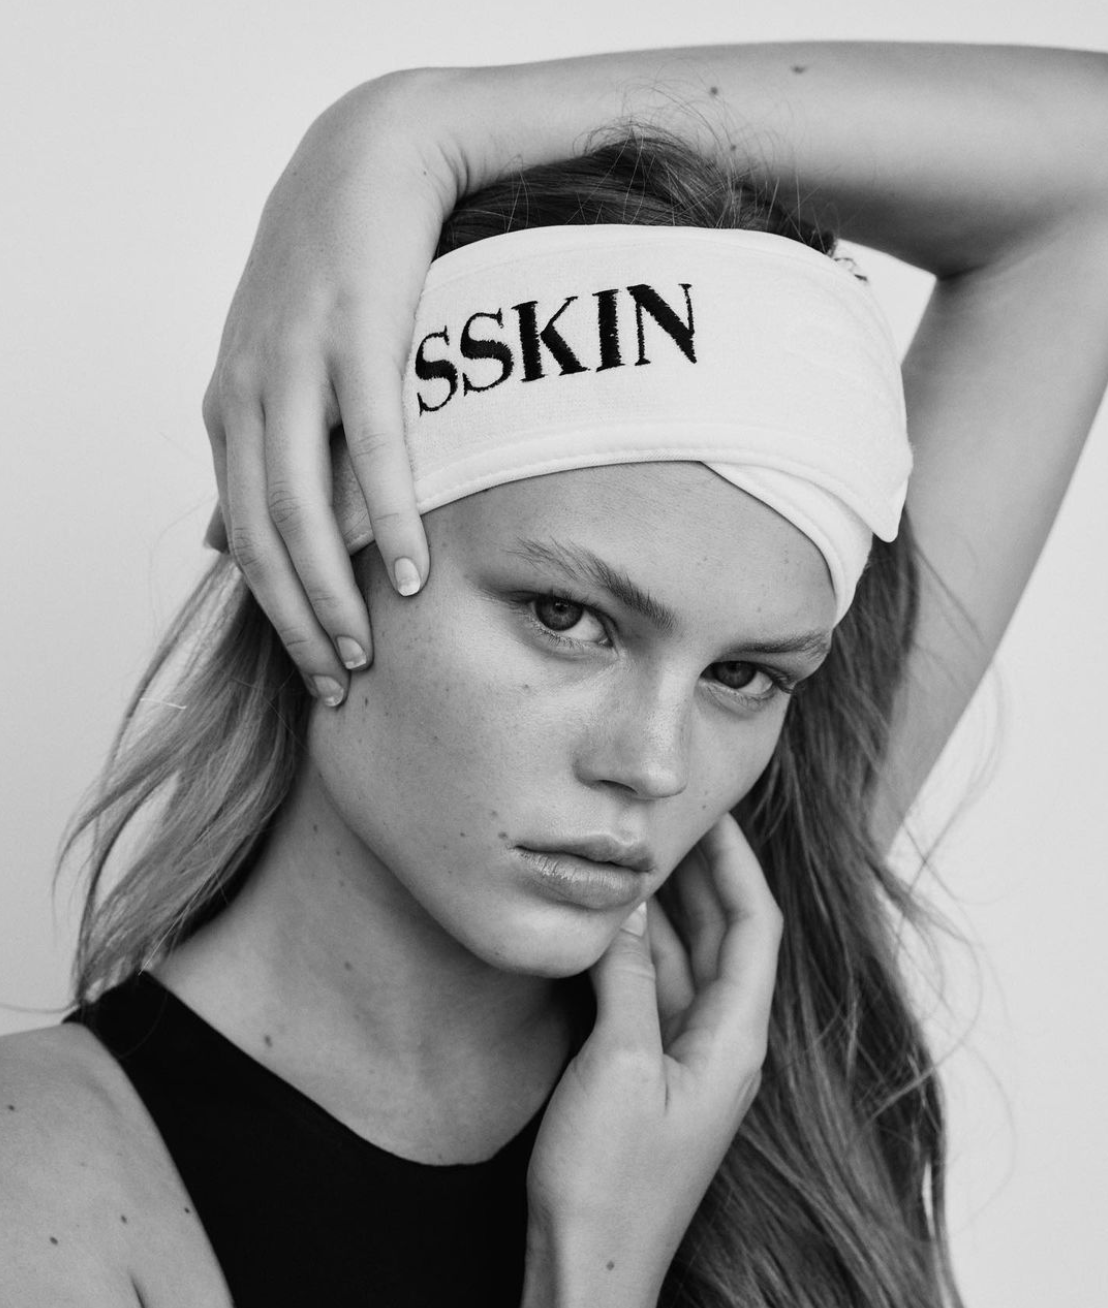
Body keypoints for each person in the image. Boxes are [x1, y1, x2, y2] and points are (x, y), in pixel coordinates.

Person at [2, 41, 1106, 1308]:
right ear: (318, 532)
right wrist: (588, 1278)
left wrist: (425, 127)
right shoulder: (47, 1189)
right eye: (569, 616)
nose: (652, 762)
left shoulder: (744, 1000)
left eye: (743, 674)